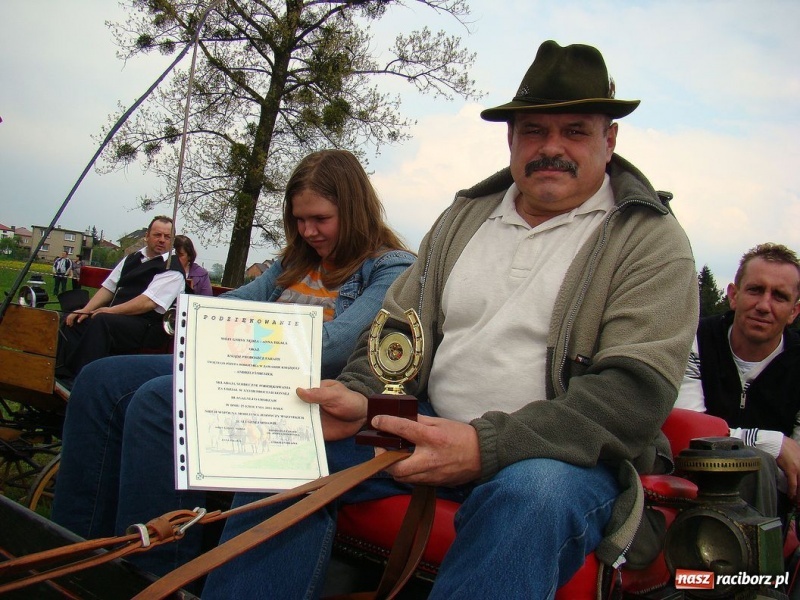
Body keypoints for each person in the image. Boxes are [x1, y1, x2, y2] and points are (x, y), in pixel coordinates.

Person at [200, 40, 699, 599]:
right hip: (428, 423)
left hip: (561, 457)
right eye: (533, 131)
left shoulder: (653, 241)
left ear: (610, 140)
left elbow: (631, 398)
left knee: (530, 497)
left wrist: (482, 445)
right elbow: (395, 331)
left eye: (575, 130)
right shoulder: (464, 218)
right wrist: (365, 397)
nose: (550, 147)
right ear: (511, 139)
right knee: (288, 448)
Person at [51, 149, 415, 578]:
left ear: (353, 211)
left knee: (158, 401)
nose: (308, 230)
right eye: (299, 219)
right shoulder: (293, 260)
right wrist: (193, 313)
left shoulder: (390, 268)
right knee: (98, 380)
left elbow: (333, 346)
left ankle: (154, 575)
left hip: (292, 390)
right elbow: (231, 305)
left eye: (320, 219)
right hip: (236, 367)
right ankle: (74, 556)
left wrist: (231, 332)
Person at [675, 243, 800, 517]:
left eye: (779, 296)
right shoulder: (694, 340)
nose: (764, 306)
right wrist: (772, 443)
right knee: (757, 463)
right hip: (693, 483)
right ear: (734, 295)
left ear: (794, 312)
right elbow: (690, 434)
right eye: (755, 290)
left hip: (776, 502)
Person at [55, 215, 184, 380]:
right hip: (118, 317)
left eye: (167, 237)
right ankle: (61, 373)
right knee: (73, 320)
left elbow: (147, 302)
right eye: (157, 235)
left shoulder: (172, 270)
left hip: (147, 326)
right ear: (147, 236)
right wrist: (86, 310)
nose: (162, 240)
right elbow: (109, 287)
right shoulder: (132, 258)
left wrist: (110, 311)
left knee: (102, 321)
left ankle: (83, 379)